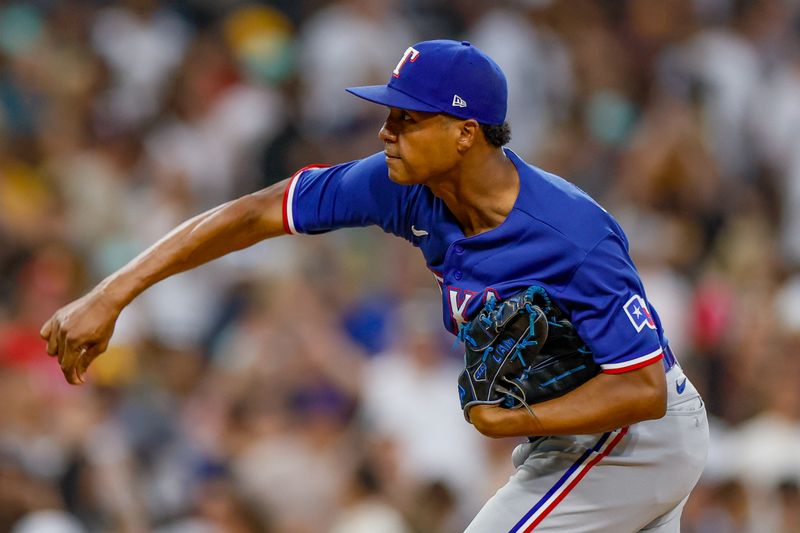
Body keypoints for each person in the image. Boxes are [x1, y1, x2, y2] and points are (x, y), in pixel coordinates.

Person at [41, 40, 709, 532]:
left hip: (632, 438)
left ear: (464, 133)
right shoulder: (402, 186)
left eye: (407, 119)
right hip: (572, 442)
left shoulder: (572, 235)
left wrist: (516, 419)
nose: (386, 132)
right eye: (390, 115)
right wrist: (113, 292)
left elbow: (642, 389)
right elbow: (252, 213)